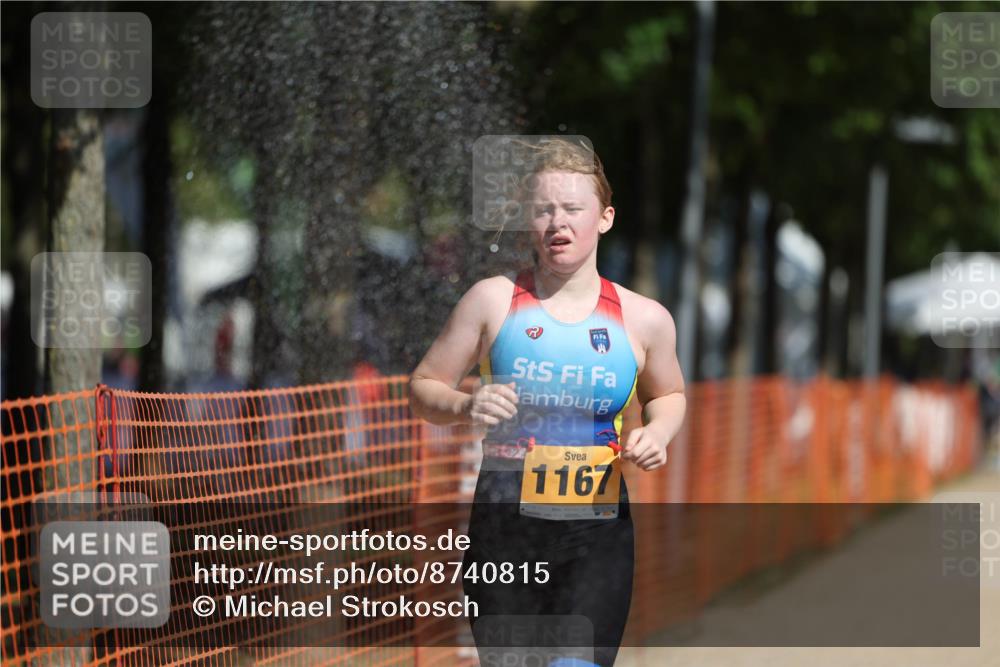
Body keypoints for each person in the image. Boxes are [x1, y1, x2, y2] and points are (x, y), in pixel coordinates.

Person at [409, 138, 686, 666]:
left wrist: (658, 431)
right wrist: (467, 404)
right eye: (543, 210)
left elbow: (669, 394)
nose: (557, 223)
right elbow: (424, 386)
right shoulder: (492, 301)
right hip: (504, 523)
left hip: (596, 528)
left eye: (572, 209)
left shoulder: (643, 318)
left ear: (604, 218)